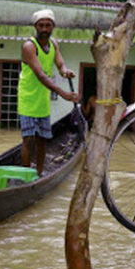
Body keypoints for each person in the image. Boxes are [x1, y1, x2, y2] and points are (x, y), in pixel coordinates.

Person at [18, 9, 78, 175]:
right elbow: (41, 75)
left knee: (42, 139)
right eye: (41, 25)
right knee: (28, 139)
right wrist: (64, 94)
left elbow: (60, 64)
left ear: (53, 27)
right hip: (28, 98)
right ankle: (25, 175)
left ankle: (39, 172)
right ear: (35, 26)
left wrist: (65, 71)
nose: (44, 29)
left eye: (48, 25)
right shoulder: (29, 46)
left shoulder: (53, 44)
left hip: (43, 99)